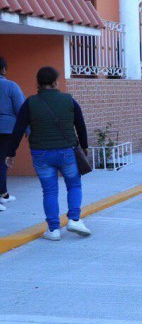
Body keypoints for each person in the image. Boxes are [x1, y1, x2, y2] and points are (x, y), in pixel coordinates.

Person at [5, 67, 91, 241]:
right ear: (55, 82)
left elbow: (18, 129)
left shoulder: (30, 103)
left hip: (41, 154)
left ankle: (53, 229)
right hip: (67, 152)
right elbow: (80, 125)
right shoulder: (69, 100)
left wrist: (11, 153)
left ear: (38, 83)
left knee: (49, 191)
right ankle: (74, 219)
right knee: (74, 185)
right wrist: (84, 146)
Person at [0, 57, 24, 212]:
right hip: (6, 130)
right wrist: (28, 130)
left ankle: (4, 194)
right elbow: (21, 110)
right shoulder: (10, 86)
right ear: (3, 70)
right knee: (2, 162)